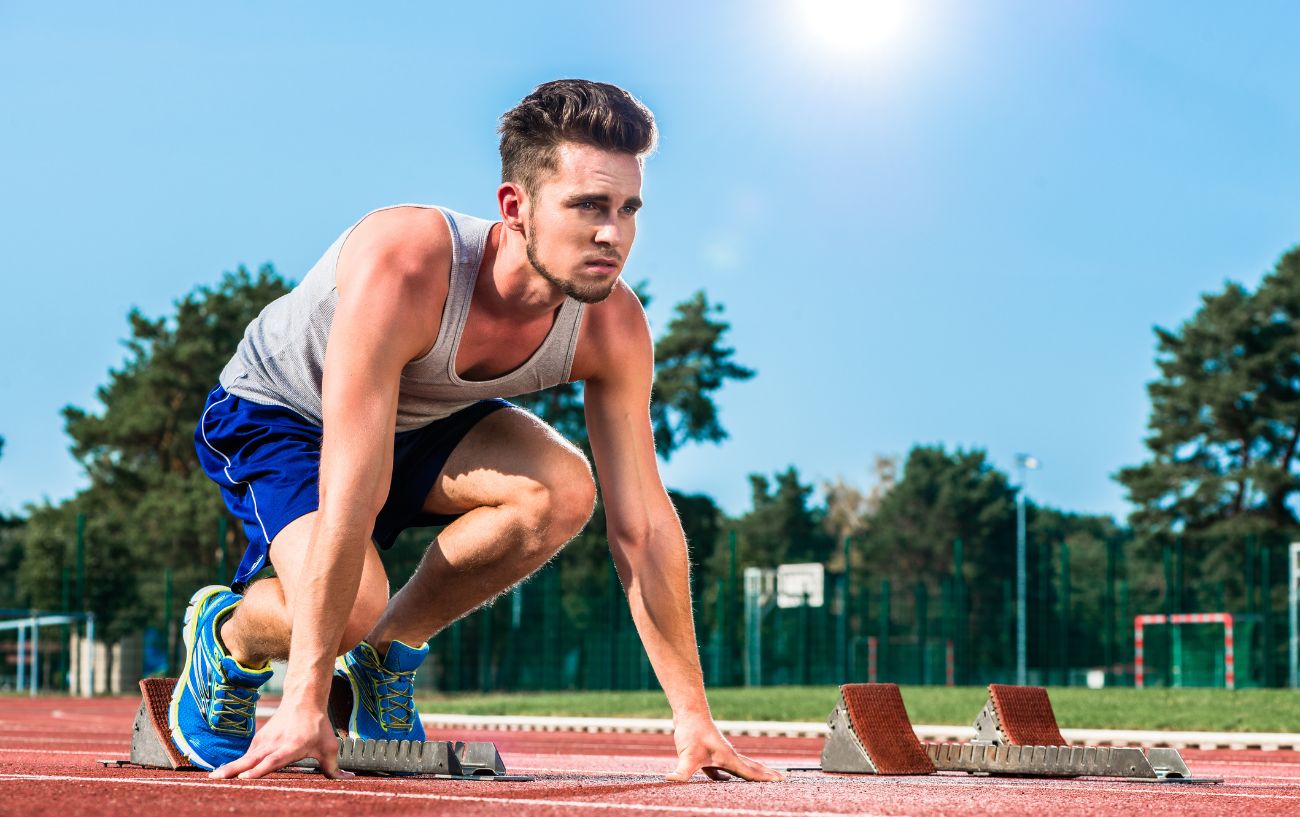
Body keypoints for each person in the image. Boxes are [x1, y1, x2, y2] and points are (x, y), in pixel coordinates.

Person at [169, 78, 784, 784]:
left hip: (427, 423)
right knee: (349, 605)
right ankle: (228, 635)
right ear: (515, 207)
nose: (613, 234)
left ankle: (386, 653)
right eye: (587, 206)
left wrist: (694, 719)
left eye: (626, 208)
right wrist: (304, 694)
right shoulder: (407, 263)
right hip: (285, 416)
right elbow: (354, 489)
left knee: (562, 490)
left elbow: (642, 525)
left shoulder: (613, 324)